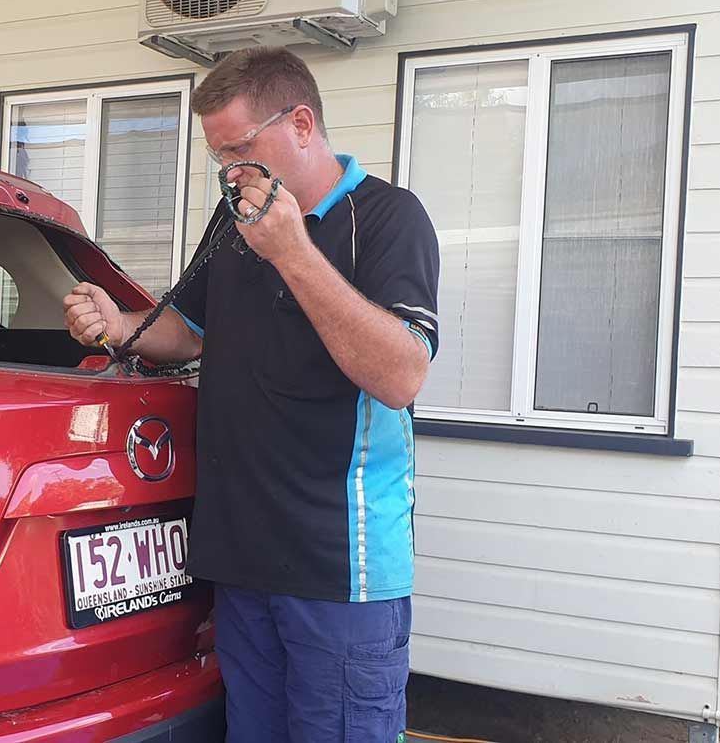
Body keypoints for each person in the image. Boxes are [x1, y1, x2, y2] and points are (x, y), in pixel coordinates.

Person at [62, 46, 440, 742]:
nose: (231, 173)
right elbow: (191, 329)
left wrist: (293, 251)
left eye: (241, 149)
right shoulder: (236, 218)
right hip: (241, 559)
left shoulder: (387, 218)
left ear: (301, 124)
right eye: (219, 159)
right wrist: (120, 326)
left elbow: (401, 374)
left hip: (340, 567)